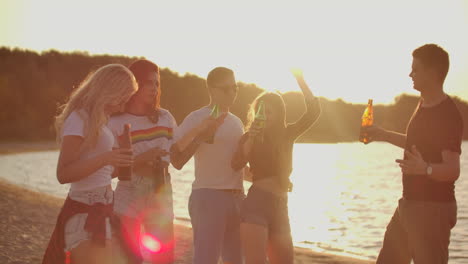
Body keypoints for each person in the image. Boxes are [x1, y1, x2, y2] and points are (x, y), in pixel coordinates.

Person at [366, 44, 463, 264]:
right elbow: (415, 144)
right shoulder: (423, 104)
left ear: (433, 72)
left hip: (432, 209)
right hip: (409, 205)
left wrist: (425, 168)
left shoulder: (447, 115)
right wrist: (383, 134)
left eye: (415, 69)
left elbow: (452, 169)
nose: (410, 74)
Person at [42, 64, 137, 264]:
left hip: (102, 207)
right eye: (122, 99)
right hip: (84, 211)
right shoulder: (79, 118)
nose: (122, 107)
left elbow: (96, 172)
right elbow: (64, 173)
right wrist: (107, 158)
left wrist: (117, 163)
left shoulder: (99, 121)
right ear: (110, 92)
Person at [231, 70, 320, 264]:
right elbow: (236, 164)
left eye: (269, 112)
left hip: (281, 208)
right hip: (256, 205)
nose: (264, 116)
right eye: (260, 111)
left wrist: (300, 80)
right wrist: (252, 138)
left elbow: (314, 112)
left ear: (279, 114)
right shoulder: (249, 137)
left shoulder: (287, 134)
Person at [170, 67, 245, 264]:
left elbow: (236, 165)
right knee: (206, 260)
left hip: (238, 198)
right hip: (209, 197)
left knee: (236, 260)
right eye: (226, 89)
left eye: (235, 88)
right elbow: (175, 159)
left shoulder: (237, 122)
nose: (232, 93)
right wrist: (201, 132)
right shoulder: (197, 118)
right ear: (211, 90)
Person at [108, 59, 177, 264]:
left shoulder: (165, 117)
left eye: (157, 83)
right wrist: (142, 159)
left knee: (163, 258)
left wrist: (202, 132)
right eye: (149, 83)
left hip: (161, 188)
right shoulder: (116, 122)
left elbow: (178, 154)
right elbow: (110, 171)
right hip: (130, 190)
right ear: (135, 84)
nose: (154, 88)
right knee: (129, 257)